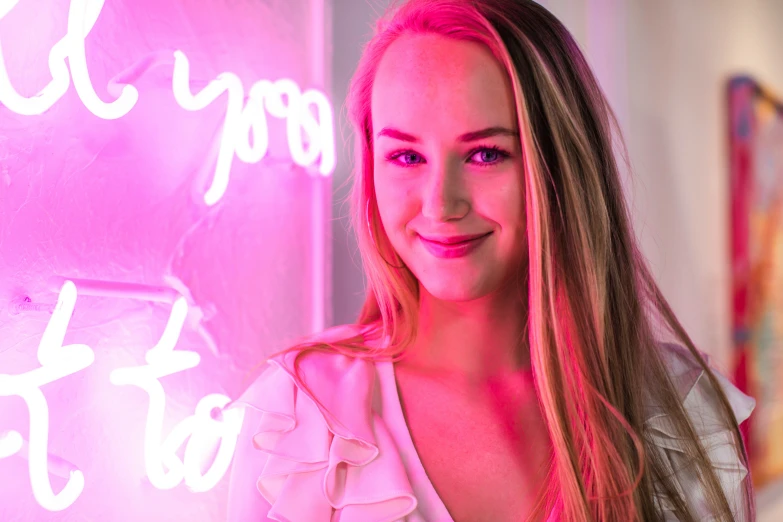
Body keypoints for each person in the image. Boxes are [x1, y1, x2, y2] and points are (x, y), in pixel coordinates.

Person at [225, 0, 756, 520]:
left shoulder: (684, 414)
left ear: (563, 169)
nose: (440, 204)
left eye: (485, 154)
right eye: (406, 156)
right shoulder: (297, 424)